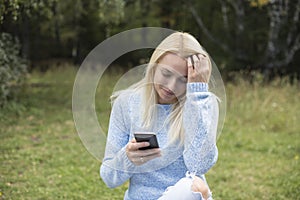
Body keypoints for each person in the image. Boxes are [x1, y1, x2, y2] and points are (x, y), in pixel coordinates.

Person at [100, 32, 219, 200]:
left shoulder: (203, 104)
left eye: (184, 79)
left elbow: (199, 166)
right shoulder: (126, 103)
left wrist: (197, 95)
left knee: (193, 187)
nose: (171, 86)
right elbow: (108, 178)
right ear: (153, 67)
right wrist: (128, 158)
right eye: (166, 73)